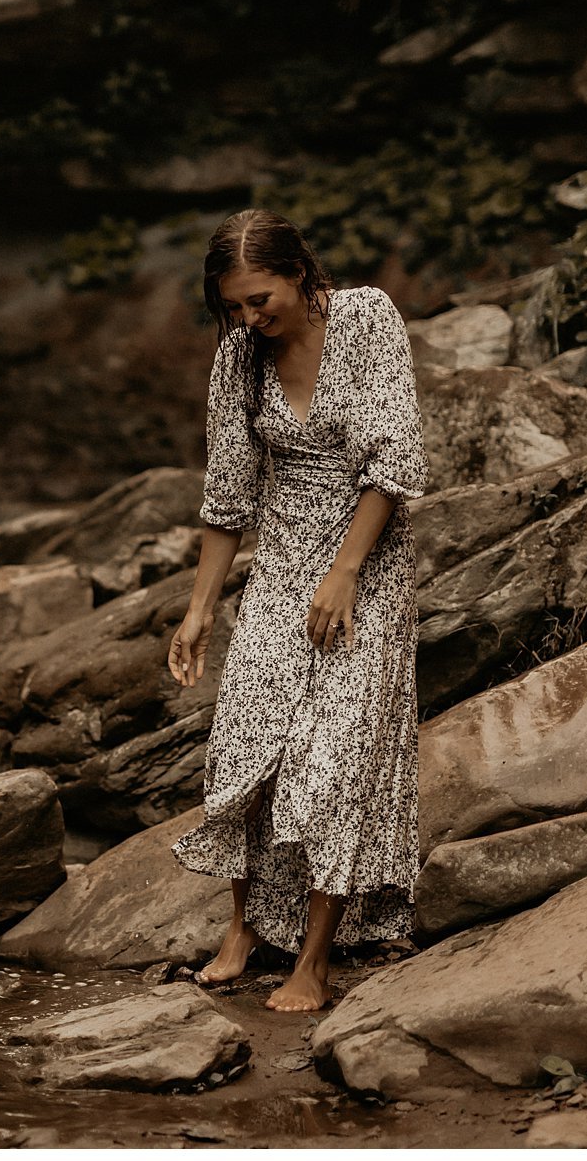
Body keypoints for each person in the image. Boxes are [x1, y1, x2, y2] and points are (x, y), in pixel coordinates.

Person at [165, 208, 428, 1013]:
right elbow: (228, 497)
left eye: (259, 299)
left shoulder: (369, 318)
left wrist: (345, 572)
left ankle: (313, 959)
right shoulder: (239, 357)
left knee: (338, 754)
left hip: (369, 563)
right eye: (234, 306)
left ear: (300, 273)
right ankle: (243, 928)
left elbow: (396, 456)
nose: (248, 318)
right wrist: (200, 609)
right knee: (247, 739)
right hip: (279, 567)